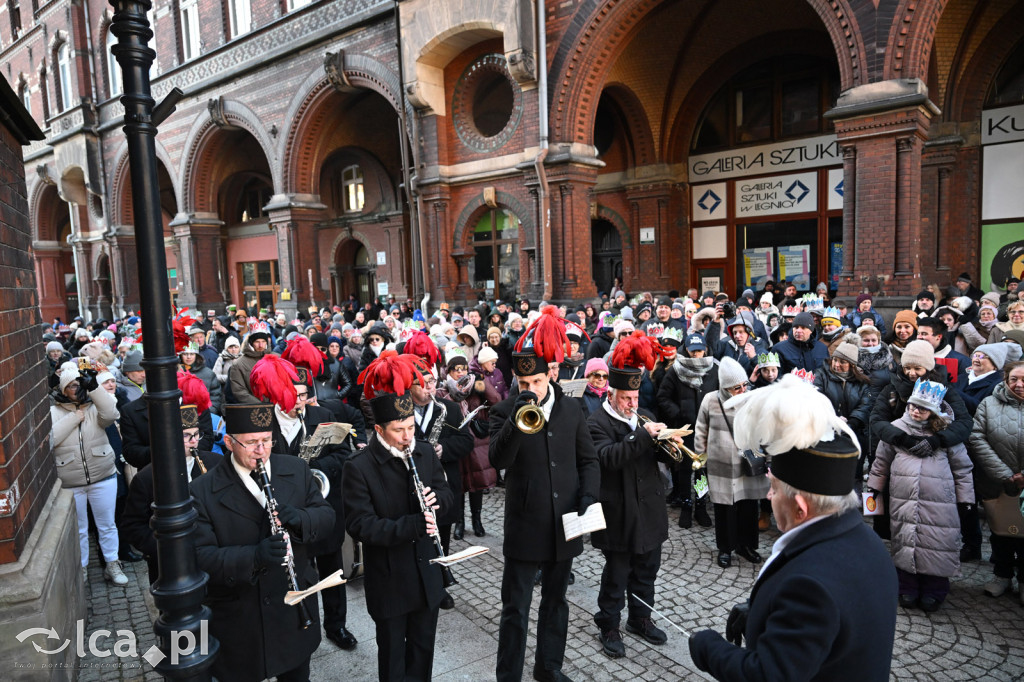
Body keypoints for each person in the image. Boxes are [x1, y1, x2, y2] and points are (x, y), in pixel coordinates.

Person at [689, 375, 898, 681]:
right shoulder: (867, 540)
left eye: (773, 488)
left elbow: (768, 675)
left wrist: (709, 648)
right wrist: (760, 612)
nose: (769, 496)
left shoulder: (808, 585)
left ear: (800, 508)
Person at [489, 307, 601, 682]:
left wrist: (588, 499)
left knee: (556, 602)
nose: (530, 390)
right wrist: (517, 418)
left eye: (536, 382)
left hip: (564, 523)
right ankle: (509, 675)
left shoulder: (571, 409)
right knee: (515, 608)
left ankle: (549, 667)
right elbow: (497, 459)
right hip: (524, 524)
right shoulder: (505, 409)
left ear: (550, 375)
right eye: (523, 384)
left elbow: (588, 460)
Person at [191, 402, 334, 681]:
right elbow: (200, 556)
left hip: (292, 608)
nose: (261, 450)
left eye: (267, 440)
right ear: (230, 443)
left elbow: (326, 516)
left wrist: (301, 518)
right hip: (241, 616)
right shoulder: (202, 490)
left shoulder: (295, 468)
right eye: (251, 443)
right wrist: (253, 556)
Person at [343, 353, 454, 682]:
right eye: (398, 430)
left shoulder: (421, 451)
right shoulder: (359, 467)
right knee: (393, 658)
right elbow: (361, 525)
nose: (407, 436)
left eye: (410, 427)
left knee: (423, 653)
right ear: (378, 429)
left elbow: (446, 495)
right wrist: (415, 524)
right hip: (390, 581)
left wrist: (437, 504)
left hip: (426, 574)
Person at [255, 360, 359, 651]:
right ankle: (299, 624)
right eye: (295, 395)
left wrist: (313, 468)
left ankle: (336, 625)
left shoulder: (323, 415)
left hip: (321, 508)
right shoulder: (264, 420)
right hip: (283, 512)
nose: (301, 402)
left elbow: (342, 455)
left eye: (304, 395)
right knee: (293, 571)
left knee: (331, 571)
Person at [587, 333, 675, 659]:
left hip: (650, 510)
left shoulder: (646, 418)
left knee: (647, 570)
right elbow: (608, 457)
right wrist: (642, 436)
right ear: (611, 395)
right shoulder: (596, 422)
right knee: (617, 574)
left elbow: (658, 457)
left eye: (635, 397)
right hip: (618, 513)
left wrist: (668, 443)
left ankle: (640, 619)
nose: (632, 404)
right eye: (626, 398)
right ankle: (608, 623)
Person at [868, 379, 974, 611]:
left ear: (933, 411)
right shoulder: (896, 428)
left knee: (936, 542)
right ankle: (907, 587)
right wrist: (874, 488)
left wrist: (966, 499)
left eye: (923, 408)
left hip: (940, 502)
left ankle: (934, 589)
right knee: (905, 539)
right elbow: (881, 462)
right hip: (903, 499)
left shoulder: (945, 434)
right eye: (913, 406)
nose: (916, 411)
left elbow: (962, 468)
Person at [120, 404, 221, 583]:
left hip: (212, 558)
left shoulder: (216, 464)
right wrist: (166, 547)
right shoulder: (146, 477)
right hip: (170, 566)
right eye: (186, 435)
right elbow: (132, 527)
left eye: (197, 434)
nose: (194, 441)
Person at [50, 361, 127, 585]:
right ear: (63, 389)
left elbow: (111, 414)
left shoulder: (95, 407)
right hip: (70, 480)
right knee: (80, 529)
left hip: (102, 476)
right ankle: (82, 568)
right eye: (72, 385)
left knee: (107, 524)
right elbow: (51, 439)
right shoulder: (53, 411)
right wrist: (74, 417)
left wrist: (94, 388)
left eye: (80, 384)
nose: (77, 389)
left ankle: (112, 564)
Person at [408, 355, 473, 610]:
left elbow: (466, 442)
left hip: (443, 484)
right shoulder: (399, 410)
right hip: (413, 485)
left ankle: (440, 586)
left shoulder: (451, 408)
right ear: (409, 386)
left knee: (442, 536)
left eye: (432, 382)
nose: (429, 388)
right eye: (423, 383)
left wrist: (442, 448)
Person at [694, 356, 767, 568]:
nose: (742, 389)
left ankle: (747, 546)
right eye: (736, 387)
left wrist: (767, 457)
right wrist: (700, 459)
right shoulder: (710, 400)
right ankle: (725, 549)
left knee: (748, 506)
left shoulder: (752, 398)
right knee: (724, 509)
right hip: (720, 464)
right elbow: (701, 429)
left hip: (747, 463)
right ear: (725, 387)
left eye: (744, 384)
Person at [969, 360, 1024, 602]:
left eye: (1023, 380)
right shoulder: (989, 404)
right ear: (1006, 379)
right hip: (996, 481)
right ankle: (1001, 574)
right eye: (1014, 379)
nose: (1019, 384)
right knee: (1001, 532)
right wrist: (1005, 473)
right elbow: (977, 438)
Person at [657, 332, 717, 528]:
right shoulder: (675, 370)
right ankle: (685, 505)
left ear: (705, 350)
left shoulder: (714, 369)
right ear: (687, 351)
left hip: (707, 430)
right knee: (683, 470)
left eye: (700, 351)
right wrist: (679, 414)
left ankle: (700, 506)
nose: (696, 355)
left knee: (702, 471)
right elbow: (663, 397)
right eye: (693, 351)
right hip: (685, 429)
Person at [228, 319, 272, 404]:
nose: (260, 345)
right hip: (253, 408)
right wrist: (260, 405)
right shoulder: (239, 364)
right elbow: (239, 391)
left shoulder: (276, 358)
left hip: (277, 408)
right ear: (251, 343)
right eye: (257, 342)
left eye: (263, 341)